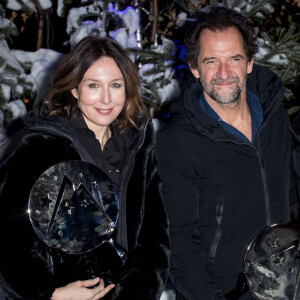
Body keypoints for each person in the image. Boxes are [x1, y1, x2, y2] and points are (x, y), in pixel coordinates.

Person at [0, 36, 169, 300]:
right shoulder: (42, 148)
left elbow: (155, 235)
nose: (106, 98)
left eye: (115, 85)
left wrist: (140, 289)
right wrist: (51, 293)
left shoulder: (136, 146)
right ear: (75, 89)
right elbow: (9, 238)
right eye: (93, 85)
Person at [156, 6, 299, 300]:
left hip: (288, 286)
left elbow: (293, 199)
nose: (224, 73)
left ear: (249, 62)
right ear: (195, 68)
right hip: (225, 293)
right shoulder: (177, 142)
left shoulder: (277, 121)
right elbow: (179, 243)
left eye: (234, 59)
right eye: (211, 61)